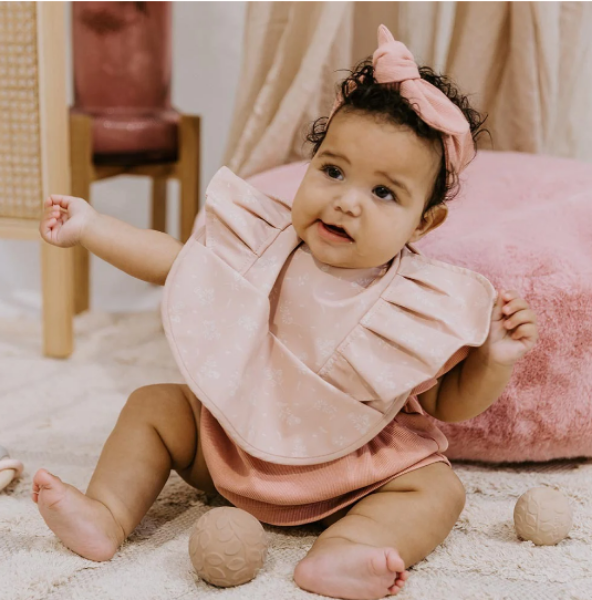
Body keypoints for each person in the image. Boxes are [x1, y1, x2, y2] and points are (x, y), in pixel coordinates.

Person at [33, 26, 538, 600]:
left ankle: (345, 552)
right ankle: (106, 514)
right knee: (152, 406)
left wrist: (495, 359)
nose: (347, 200)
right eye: (333, 171)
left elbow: (447, 403)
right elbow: (174, 260)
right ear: (310, 164)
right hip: (230, 447)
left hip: (353, 470)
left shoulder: (416, 299)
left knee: (437, 489)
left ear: (423, 223)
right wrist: (93, 227)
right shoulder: (264, 243)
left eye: (384, 193)